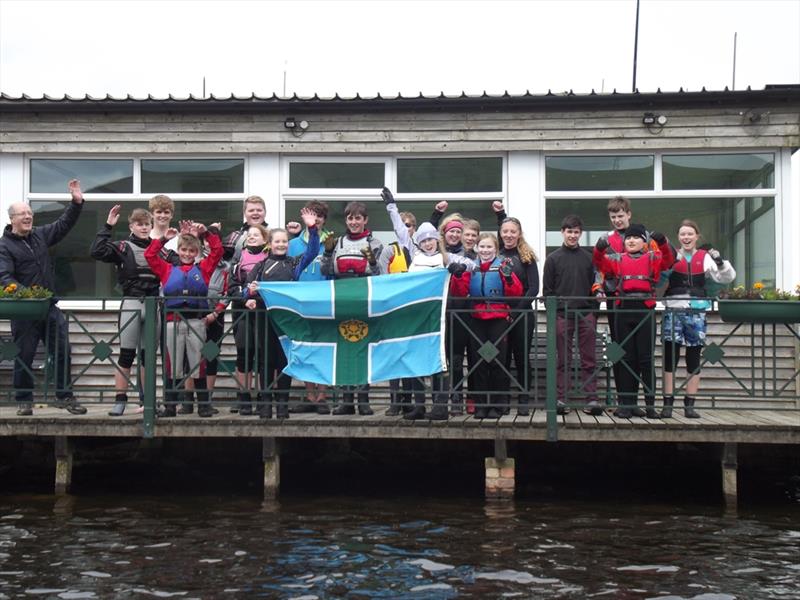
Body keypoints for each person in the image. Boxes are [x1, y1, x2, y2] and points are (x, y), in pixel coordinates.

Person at [0, 179, 88, 416]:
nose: (28, 217)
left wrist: (76, 203)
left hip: (48, 307)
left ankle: (65, 397)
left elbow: (62, 225)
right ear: (12, 219)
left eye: (29, 213)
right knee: (24, 356)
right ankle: (23, 400)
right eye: (22, 214)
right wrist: (28, 296)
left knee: (62, 350)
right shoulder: (4, 246)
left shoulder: (39, 235)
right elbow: (5, 277)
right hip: (25, 311)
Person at [244, 208, 320, 419]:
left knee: (284, 361)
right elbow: (245, 289)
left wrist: (312, 228)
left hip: (287, 321)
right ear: (270, 243)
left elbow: (313, 252)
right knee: (265, 361)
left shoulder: (293, 263)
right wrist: (249, 295)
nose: (281, 245)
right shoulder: (260, 266)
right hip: (264, 318)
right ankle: (266, 403)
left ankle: (283, 405)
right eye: (277, 241)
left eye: (284, 242)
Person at [593, 224, 675, 419]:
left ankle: (650, 406)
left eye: (636, 238)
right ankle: (626, 405)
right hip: (623, 310)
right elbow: (598, 263)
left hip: (645, 309)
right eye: (628, 238)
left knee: (645, 359)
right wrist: (599, 247)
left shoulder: (653, 258)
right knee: (625, 359)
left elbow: (669, 261)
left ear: (644, 242)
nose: (631, 241)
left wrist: (662, 242)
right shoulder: (617, 259)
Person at [400, 221, 476, 420]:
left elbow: (472, 264)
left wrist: (459, 266)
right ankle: (419, 405)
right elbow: (401, 232)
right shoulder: (413, 256)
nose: (427, 244)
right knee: (417, 360)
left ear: (437, 240)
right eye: (423, 240)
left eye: (431, 239)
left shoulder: (445, 257)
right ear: (419, 243)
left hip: (439, 317)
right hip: (417, 316)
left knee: (439, 361)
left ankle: (440, 404)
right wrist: (391, 207)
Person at [145, 223, 223, 417]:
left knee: (199, 363)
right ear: (178, 250)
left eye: (192, 251)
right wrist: (163, 239)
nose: (188, 254)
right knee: (173, 365)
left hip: (196, 321)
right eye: (184, 250)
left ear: (197, 252)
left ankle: (203, 405)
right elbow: (149, 255)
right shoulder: (167, 269)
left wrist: (206, 234)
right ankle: (170, 406)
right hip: (173, 321)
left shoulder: (203, 268)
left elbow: (217, 251)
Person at [90, 206, 160, 416]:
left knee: (148, 356)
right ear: (131, 226)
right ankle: (120, 399)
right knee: (127, 353)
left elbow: (179, 263)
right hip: (131, 302)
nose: (144, 227)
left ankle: (147, 401)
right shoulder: (122, 246)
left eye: (147, 224)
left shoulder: (158, 247)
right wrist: (108, 225)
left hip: (153, 304)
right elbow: (96, 251)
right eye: (139, 224)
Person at [661, 220, 735, 418]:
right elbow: (658, 277)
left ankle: (689, 405)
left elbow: (726, 278)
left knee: (693, 358)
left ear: (697, 236)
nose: (686, 237)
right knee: (670, 359)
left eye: (690, 234)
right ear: (679, 237)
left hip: (697, 312)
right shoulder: (672, 256)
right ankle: (668, 404)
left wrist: (720, 262)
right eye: (683, 234)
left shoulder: (705, 258)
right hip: (673, 311)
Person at [449, 233, 522, 419]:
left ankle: (497, 405)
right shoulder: (471, 268)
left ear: (495, 249)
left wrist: (508, 278)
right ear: (476, 248)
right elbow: (459, 293)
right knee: (479, 361)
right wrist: (457, 276)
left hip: (498, 317)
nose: (485, 250)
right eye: (482, 247)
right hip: (477, 318)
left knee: (496, 361)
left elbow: (516, 294)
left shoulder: (503, 267)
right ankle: (482, 404)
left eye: (489, 247)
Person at [320, 201, 384, 415]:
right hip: (342, 299)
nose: (354, 222)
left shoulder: (375, 243)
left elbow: (381, 276)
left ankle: (363, 400)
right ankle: (346, 401)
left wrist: (373, 263)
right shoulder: (336, 242)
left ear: (365, 220)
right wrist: (328, 253)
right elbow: (326, 271)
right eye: (350, 218)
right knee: (345, 349)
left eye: (358, 218)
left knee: (364, 349)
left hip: (365, 299)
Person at [542, 215, 601, 416]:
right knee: (563, 360)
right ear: (562, 232)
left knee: (589, 358)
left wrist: (594, 312)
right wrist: (555, 314)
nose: (573, 235)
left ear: (580, 234)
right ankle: (561, 399)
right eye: (569, 231)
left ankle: (592, 399)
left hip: (586, 314)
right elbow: (548, 291)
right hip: (561, 315)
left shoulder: (589, 258)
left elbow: (596, 287)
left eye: (576, 232)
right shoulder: (553, 259)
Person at [492, 203, 539, 416]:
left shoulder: (526, 257)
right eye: (505, 232)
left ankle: (523, 399)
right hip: (499, 315)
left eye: (513, 231)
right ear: (500, 234)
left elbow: (533, 289)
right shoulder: (496, 255)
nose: (509, 235)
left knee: (521, 357)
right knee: (502, 357)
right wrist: (500, 214)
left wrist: (516, 310)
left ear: (519, 234)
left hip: (522, 314)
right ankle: (502, 399)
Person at [287, 200, 333, 414]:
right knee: (303, 347)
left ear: (324, 219)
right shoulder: (293, 244)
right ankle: (309, 395)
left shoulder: (331, 241)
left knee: (323, 348)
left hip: (323, 301)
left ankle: (322, 396)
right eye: (312, 215)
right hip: (300, 302)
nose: (316, 219)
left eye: (320, 216)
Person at [228, 224, 270, 416]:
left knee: (263, 356)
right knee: (244, 355)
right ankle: (244, 397)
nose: (251, 237)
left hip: (264, 312)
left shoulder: (269, 260)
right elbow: (232, 287)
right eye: (249, 235)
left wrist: (258, 298)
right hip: (242, 312)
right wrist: (246, 297)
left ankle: (264, 397)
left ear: (264, 239)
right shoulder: (238, 260)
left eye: (256, 235)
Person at [222, 195, 268, 263]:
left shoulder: (273, 235)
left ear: (265, 212)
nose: (255, 213)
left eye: (259, 210)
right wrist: (212, 235)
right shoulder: (235, 236)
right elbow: (218, 259)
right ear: (244, 213)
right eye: (251, 210)